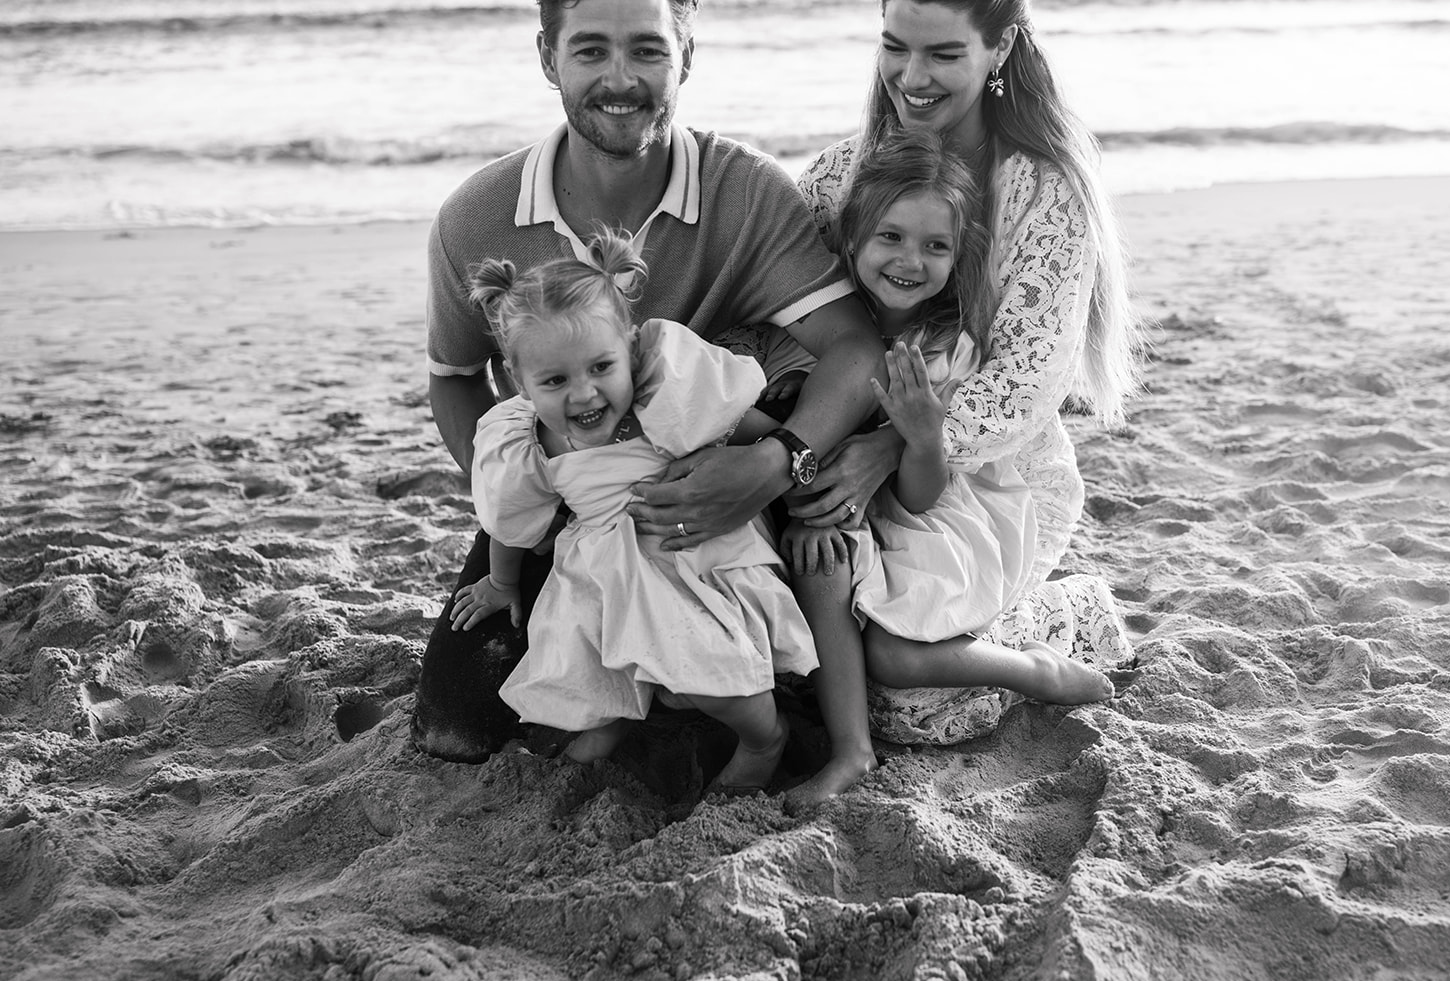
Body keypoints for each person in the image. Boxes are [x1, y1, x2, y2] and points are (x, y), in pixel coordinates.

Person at [416, 0, 888, 763]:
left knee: (741, 687)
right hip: (572, 494)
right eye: (591, 51)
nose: (620, 79)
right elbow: (455, 379)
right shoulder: (475, 218)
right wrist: (535, 494)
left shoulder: (746, 193)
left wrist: (774, 463)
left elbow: (855, 350)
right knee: (460, 727)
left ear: (687, 56)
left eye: (647, 51)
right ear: (547, 58)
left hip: (713, 492)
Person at [786, 0, 1142, 748]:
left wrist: (891, 446)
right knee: (796, 655)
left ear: (1000, 46)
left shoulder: (1044, 195)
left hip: (981, 487)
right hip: (841, 454)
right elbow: (772, 305)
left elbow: (1028, 379)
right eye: (894, 47)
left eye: (943, 55)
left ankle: (1064, 618)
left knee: (906, 707)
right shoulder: (840, 175)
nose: (910, 77)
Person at [449, 231, 815, 792]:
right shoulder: (530, 440)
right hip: (603, 570)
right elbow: (511, 518)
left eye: (601, 367)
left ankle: (764, 739)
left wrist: (795, 476)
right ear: (520, 382)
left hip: (689, 554)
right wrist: (500, 583)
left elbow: (758, 437)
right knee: (592, 672)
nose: (584, 394)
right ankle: (613, 724)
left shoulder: (664, 399)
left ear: (629, 348)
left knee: (704, 673)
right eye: (555, 380)